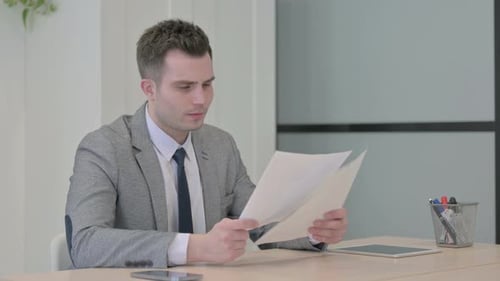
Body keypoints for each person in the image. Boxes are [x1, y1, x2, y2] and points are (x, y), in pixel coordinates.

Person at [65, 19, 348, 268]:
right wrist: (196, 247)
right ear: (149, 89)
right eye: (185, 87)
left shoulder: (219, 145)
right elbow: (86, 244)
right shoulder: (104, 148)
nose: (201, 99)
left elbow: (259, 223)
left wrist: (313, 231)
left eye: (207, 84)